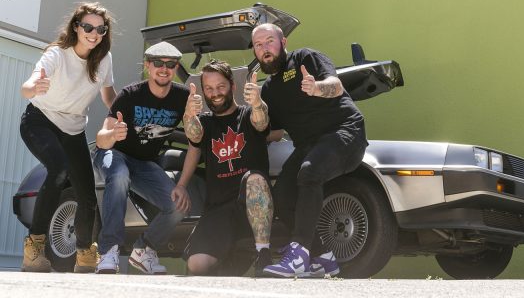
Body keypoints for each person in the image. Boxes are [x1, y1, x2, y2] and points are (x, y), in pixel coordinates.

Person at [251, 23, 368, 278]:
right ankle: (323, 258)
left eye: (269, 41)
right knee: (282, 196)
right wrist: (256, 107)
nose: (264, 48)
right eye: (258, 45)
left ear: (283, 43)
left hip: (345, 133)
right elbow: (272, 132)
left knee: (309, 172)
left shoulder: (305, 58)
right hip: (308, 144)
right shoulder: (268, 88)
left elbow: (336, 85)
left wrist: (316, 88)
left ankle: (298, 255)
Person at [19, 2, 117, 273]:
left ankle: (85, 254)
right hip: (40, 121)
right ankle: (34, 248)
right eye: (88, 27)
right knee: (59, 169)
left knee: (87, 194)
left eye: (100, 29)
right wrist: (33, 87)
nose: (94, 34)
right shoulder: (57, 54)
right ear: (76, 27)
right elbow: (28, 86)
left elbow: (109, 95)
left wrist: (123, 113)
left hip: (73, 129)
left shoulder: (104, 59)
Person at [93, 41, 194, 275]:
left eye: (171, 64)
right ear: (148, 65)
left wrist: (192, 115)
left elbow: (195, 140)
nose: (164, 68)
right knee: (120, 175)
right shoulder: (130, 95)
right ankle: (108, 250)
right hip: (114, 154)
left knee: (178, 205)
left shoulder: (183, 97)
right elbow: (100, 139)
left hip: (144, 163)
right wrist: (113, 134)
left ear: (176, 68)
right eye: (158, 63)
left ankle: (144, 250)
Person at [180, 59, 274, 277]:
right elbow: (194, 135)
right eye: (209, 89)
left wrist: (257, 103)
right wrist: (188, 114)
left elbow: (261, 122)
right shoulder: (205, 123)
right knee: (196, 265)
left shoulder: (248, 115)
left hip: (249, 207)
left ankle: (263, 253)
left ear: (232, 86)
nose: (215, 93)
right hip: (218, 210)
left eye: (221, 86)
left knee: (255, 179)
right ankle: (230, 265)